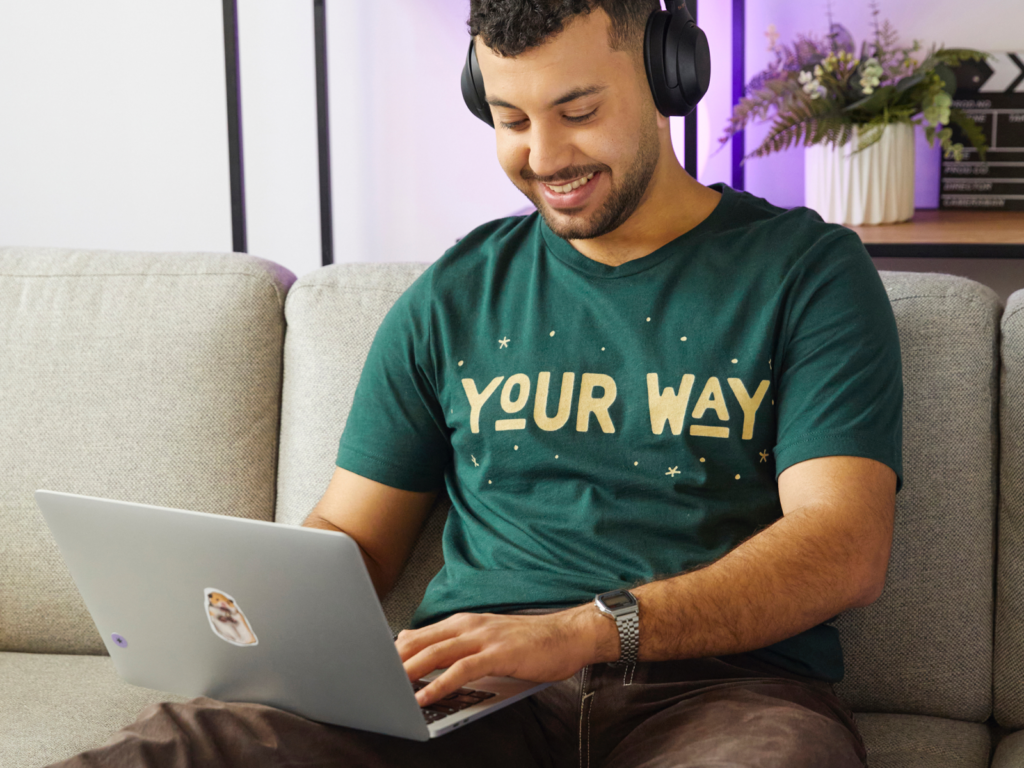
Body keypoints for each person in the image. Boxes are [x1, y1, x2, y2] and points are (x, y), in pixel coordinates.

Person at [50, 1, 902, 766]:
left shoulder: (807, 274)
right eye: (510, 119)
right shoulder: (451, 296)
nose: (544, 156)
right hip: (469, 699)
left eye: (578, 111)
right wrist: (250, 618)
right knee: (187, 747)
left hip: (723, 697)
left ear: (667, 78)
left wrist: (581, 634)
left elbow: (843, 547)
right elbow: (355, 532)